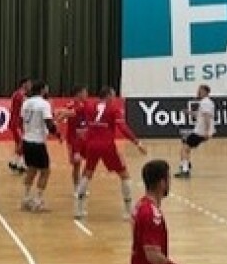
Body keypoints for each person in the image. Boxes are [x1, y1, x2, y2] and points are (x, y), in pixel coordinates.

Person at [75, 87, 146, 220]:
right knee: (124, 175)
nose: (113, 98)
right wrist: (137, 142)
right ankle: (128, 211)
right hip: (107, 146)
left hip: (91, 145)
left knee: (87, 173)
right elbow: (123, 128)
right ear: (108, 96)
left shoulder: (89, 105)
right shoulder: (113, 109)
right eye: (112, 96)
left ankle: (79, 209)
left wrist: (63, 114)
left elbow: (76, 113)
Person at [19, 81, 61, 212]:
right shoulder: (44, 104)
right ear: (42, 90)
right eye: (46, 89)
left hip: (27, 140)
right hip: (38, 142)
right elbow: (48, 123)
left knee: (31, 169)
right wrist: (57, 133)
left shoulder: (26, 103)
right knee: (45, 171)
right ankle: (38, 201)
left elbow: (22, 120)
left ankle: (26, 199)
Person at [174, 85, 214, 178]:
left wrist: (206, 131)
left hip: (200, 132)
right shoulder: (207, 102)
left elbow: (207, 117)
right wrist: (189, 112)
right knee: (185, 146)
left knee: (185, 148)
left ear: (205, 92)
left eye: (200, 91)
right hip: (200, 131)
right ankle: (186, 164)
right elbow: (200, 115)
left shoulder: (205, 103)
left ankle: (185, 170)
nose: (198, 93)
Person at [59, 85, 90, 200]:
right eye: (84, 92)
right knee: (77, 164)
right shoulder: (71, 105)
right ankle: (76, 188)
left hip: (85, 138)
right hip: (73, 139)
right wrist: (59, 120)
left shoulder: (87, 104)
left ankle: (82, 186)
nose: (86, 94)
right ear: (78, 93)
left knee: (89, 163)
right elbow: (63, 115)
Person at [7, 77, 33, 174]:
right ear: (24, 84)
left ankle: (16, 163)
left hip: (17, 123)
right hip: (17, 123)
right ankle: (18, 163)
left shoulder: (18, 94)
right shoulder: (20, 95)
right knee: (23, 143)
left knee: (19, 143)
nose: (30, 86)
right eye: (29, 83)